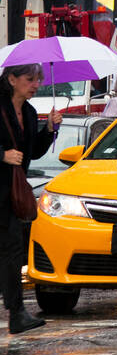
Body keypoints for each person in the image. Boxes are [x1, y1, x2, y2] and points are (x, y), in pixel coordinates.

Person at [0, 64, 60, 334]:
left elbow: (33, 152)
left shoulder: (29, 111)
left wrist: (48, 129)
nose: (36, 84)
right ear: (11, 79)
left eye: (38, 79)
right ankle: (16, 312)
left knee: (13, 252)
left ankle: (17, 313)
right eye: (29, 79)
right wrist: (1, 155)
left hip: (12, 195)